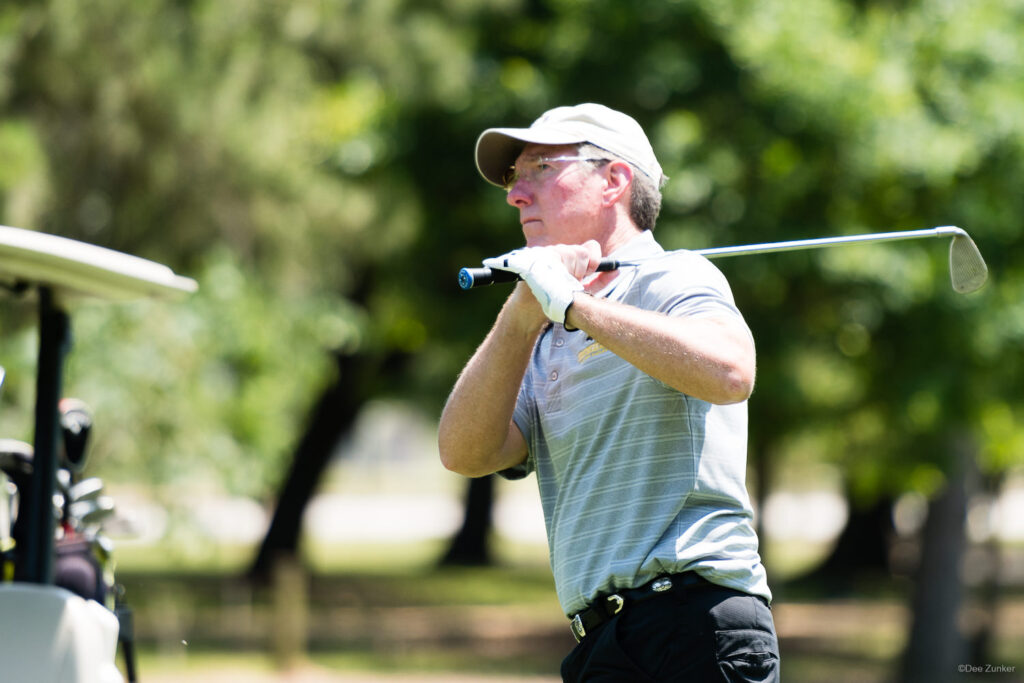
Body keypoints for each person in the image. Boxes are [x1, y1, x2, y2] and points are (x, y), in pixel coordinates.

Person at [438, 103, 780, 682]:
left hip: (695, 621)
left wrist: (574, 305)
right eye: (513, 179)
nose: (515, 196)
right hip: (601, 642)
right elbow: (464, 452)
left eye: (539, 170)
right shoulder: (540, 332)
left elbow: (730, 373)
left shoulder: (674, 277)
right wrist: (523, 313)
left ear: (613, 181)